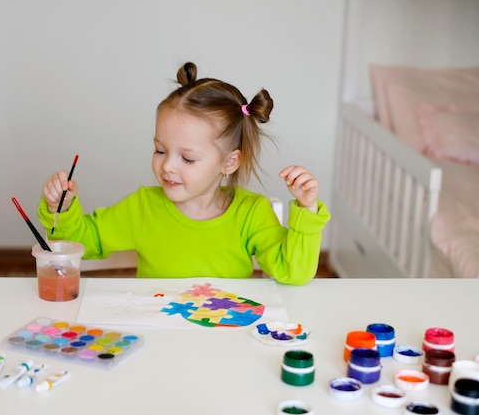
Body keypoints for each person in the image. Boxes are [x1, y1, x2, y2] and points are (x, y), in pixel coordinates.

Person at [38, 62, 330, 284]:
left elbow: (294, 272)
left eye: (187, 158)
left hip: (224, 343)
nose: (167, 166)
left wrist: (306, 209)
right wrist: (61, 210)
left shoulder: (252, 214)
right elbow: (83, 242)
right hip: (157, 343)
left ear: (229, 163)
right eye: (160, 150)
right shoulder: (143, 208)